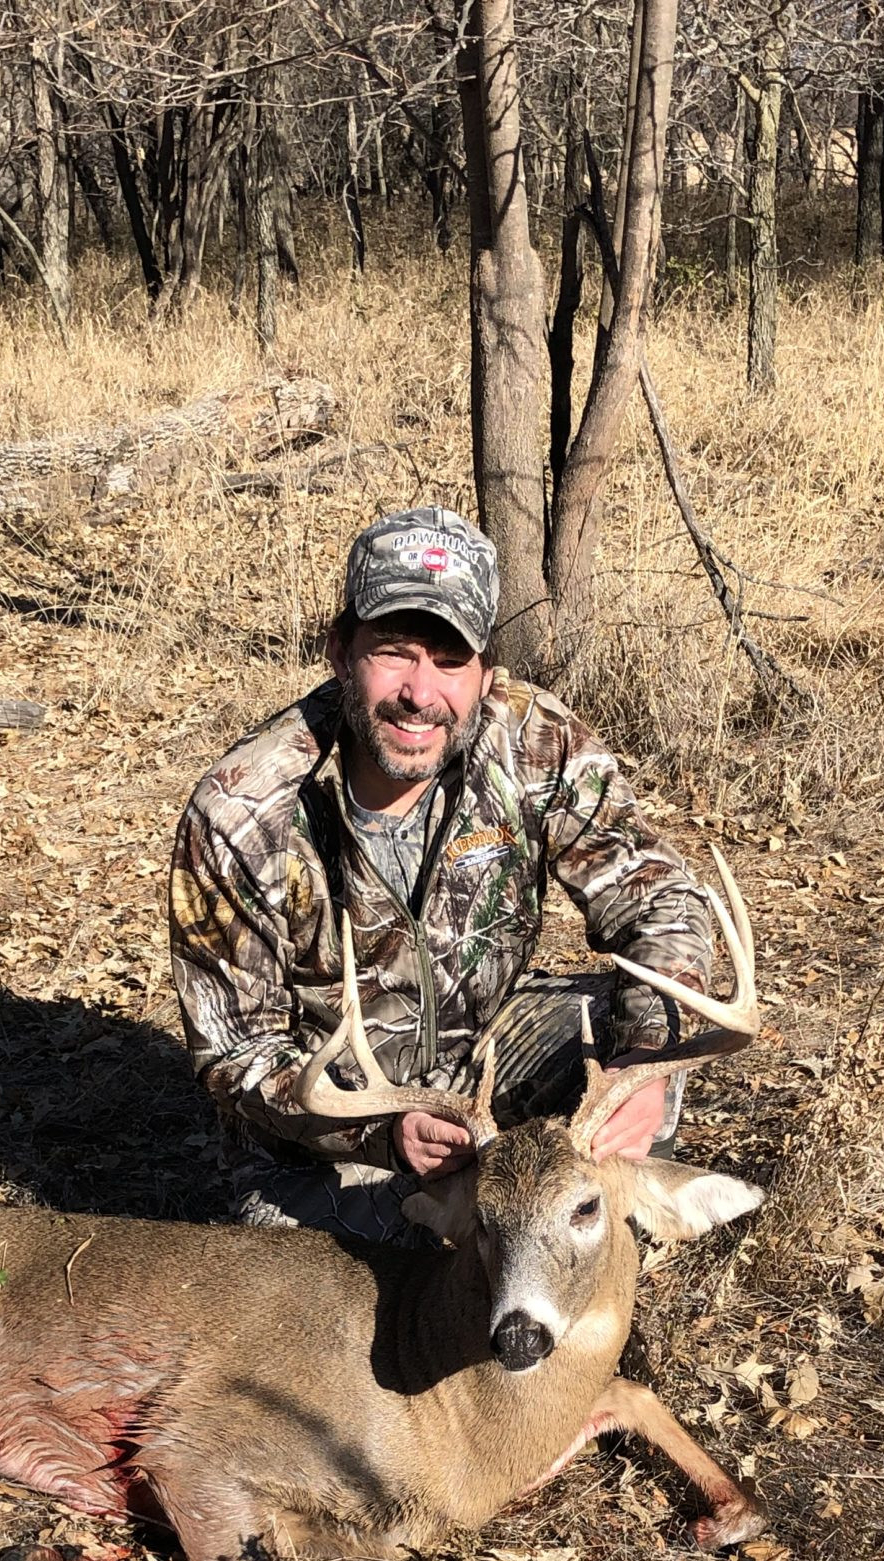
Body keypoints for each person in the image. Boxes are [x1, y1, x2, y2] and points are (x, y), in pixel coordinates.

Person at [168, 506, 715, 1243]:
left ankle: (592, 1258)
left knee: (644, 1028)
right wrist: (384, 1132)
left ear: (486, 672)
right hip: (335, 1136)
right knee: (349, 1295)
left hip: (488, 1063)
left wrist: (645, 1062)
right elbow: (236, 1053)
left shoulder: (530, 741)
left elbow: (662, 903)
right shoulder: (242, 810)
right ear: (339, 650)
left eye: (450, 661)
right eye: (394, 652)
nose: (421, 694)